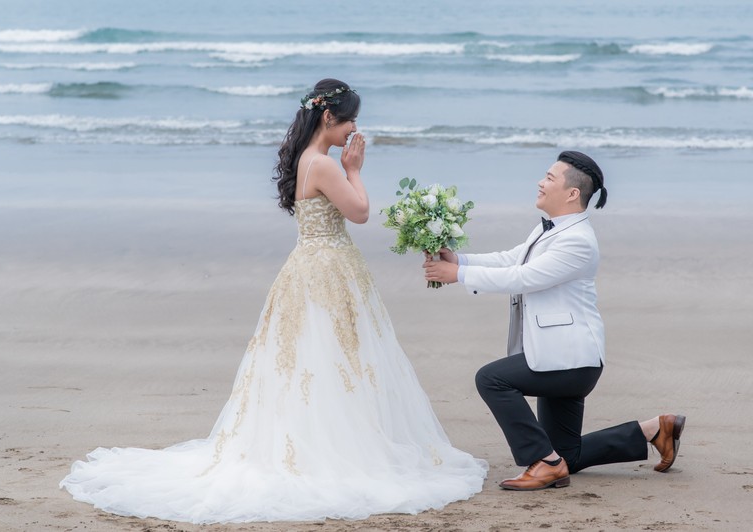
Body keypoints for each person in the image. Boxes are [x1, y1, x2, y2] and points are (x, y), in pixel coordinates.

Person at [60, 79, 487, 523]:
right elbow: (359, 213)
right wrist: (355, 169)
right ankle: (330, 450)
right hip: (327, 269)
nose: (354, 130)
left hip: (309, 266)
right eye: (351, 121)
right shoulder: (324, 164)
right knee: (332, 356)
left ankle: (319, 441)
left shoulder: (306, 159)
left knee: (314, 358)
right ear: (328, 117)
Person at [423, 151, 685, 490]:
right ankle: (655, 430)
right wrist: (460, 260)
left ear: (572, 193)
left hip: (569, 360)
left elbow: (524, 277)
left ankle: (544, 463)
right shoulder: (553, 229)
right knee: (568, 454)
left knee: (491, 379)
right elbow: (512, 259)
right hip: (559, 354)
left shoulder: (578, 241)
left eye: (549, 178)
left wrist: (457, 275)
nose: (540, 182)